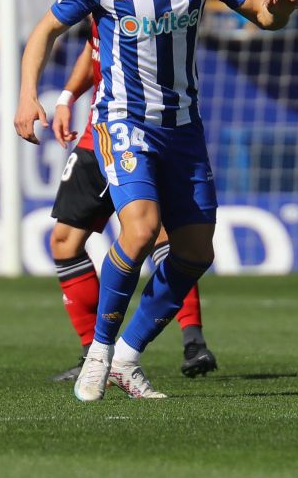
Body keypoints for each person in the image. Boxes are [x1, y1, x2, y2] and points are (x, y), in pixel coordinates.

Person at [15, 0, 298, 401]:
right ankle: (98, 351)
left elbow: (260, 13)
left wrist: (277, 11)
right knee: (141, 230)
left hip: (184, 128)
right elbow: (47, 29)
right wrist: (32, 94)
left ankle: (127, 357)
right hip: (123, 121)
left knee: (196, 253)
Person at [47, 28, 218, 381]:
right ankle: (92, 355)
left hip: (145, 136)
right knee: (65, 241)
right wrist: (66, 97)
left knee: (161, 235)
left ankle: (192, 339)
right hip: (98, 137)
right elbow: (92, 49)